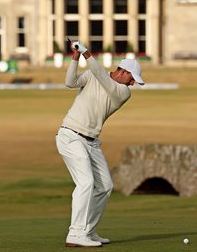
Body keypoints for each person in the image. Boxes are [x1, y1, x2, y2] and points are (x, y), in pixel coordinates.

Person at [56, 39, 144, 247]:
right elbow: (70, 82)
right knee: (86, 183)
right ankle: (75, 233)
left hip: (91, 142)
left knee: (105, 186)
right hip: (70, 136)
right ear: (122, 72)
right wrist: (76, 58)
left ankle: (88, 230)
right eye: (132, 79)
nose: (133, 84)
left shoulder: (123, 93)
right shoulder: (96, 76)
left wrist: (87, 54)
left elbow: (103, 77)